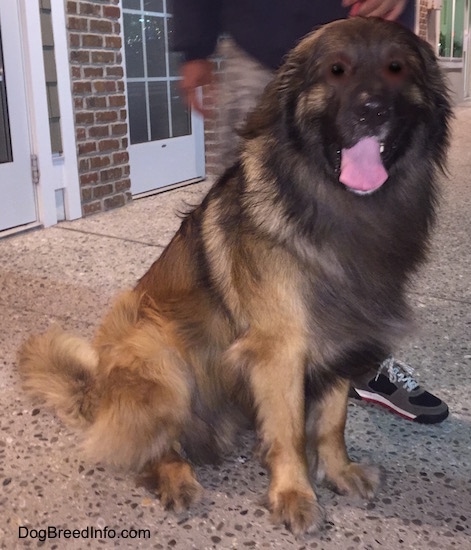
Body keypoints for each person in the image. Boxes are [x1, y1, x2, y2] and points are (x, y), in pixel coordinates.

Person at [173, 0, 449, 424]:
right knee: (247, 240)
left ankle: (362, 365)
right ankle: (244, 362)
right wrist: (194, 46)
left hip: (376, 34)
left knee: (376, 239)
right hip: (259, 44)